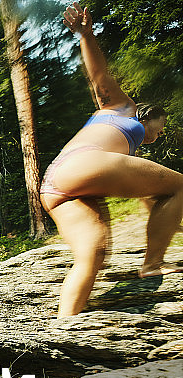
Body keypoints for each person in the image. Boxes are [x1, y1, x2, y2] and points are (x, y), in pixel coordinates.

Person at [41, 3, 183, 317]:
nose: (159, 135)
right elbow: (99, 78)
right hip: (85, 165)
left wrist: (172, 221)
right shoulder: (123, 107)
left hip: (54, 185)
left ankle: (64, 327)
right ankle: (153, 265)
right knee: (180, 184)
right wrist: (85, 35)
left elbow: (152, 197)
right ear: (149, 116)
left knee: (92, 254)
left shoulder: (125, 148)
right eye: (159, 128)